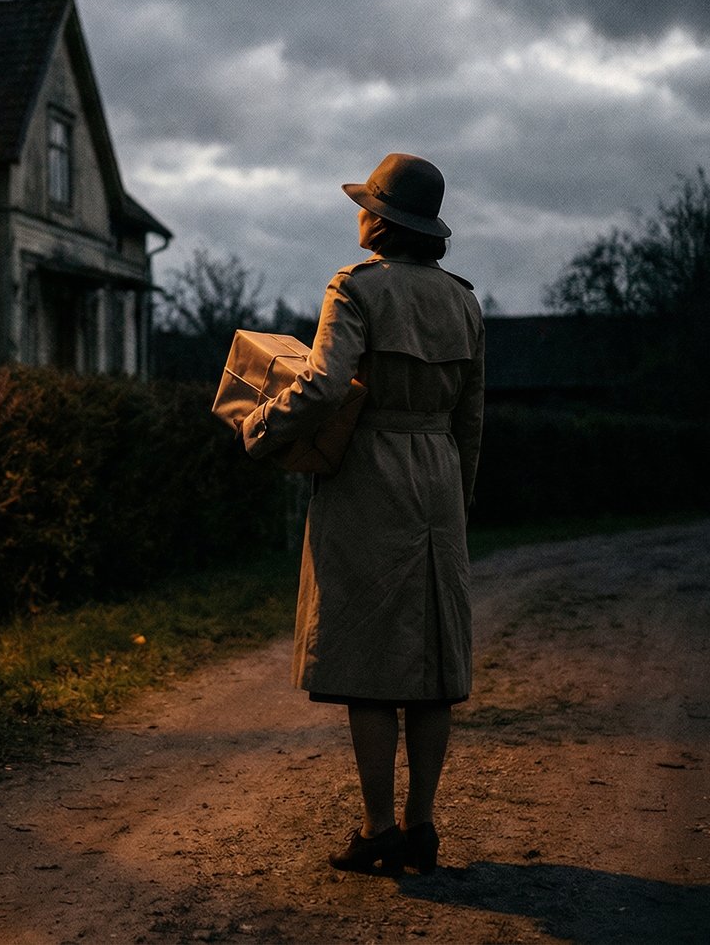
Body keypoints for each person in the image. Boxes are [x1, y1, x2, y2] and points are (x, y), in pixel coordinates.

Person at [240, 152, 484, 876]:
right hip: (437, 480)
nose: (358, 213)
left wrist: (262, 425)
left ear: (380, 219)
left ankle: (379, 829)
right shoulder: (466, 302)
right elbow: (471, 423)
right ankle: (423, 827)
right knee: (435, 661)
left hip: (369, 480)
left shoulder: (356, 288)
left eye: (364, 203)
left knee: (372, 662)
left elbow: (320, 388)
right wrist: (456, 505)